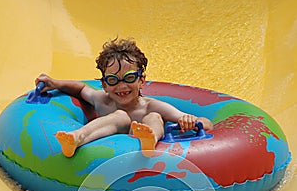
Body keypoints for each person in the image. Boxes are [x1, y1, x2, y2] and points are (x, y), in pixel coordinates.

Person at [36, 38, 213, 158]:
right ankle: (77, 137)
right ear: (104, 85)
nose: (121, 86)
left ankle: (150, 139)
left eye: (129, 78)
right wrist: (56, 83)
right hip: (109, 155)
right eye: (113, 80)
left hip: (143, 151)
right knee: (120, 116)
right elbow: (82, 88)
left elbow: (206, 123)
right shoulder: (102, 100)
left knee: (153, 118)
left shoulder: (152, 107)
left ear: (141, 80)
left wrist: (190, 120)